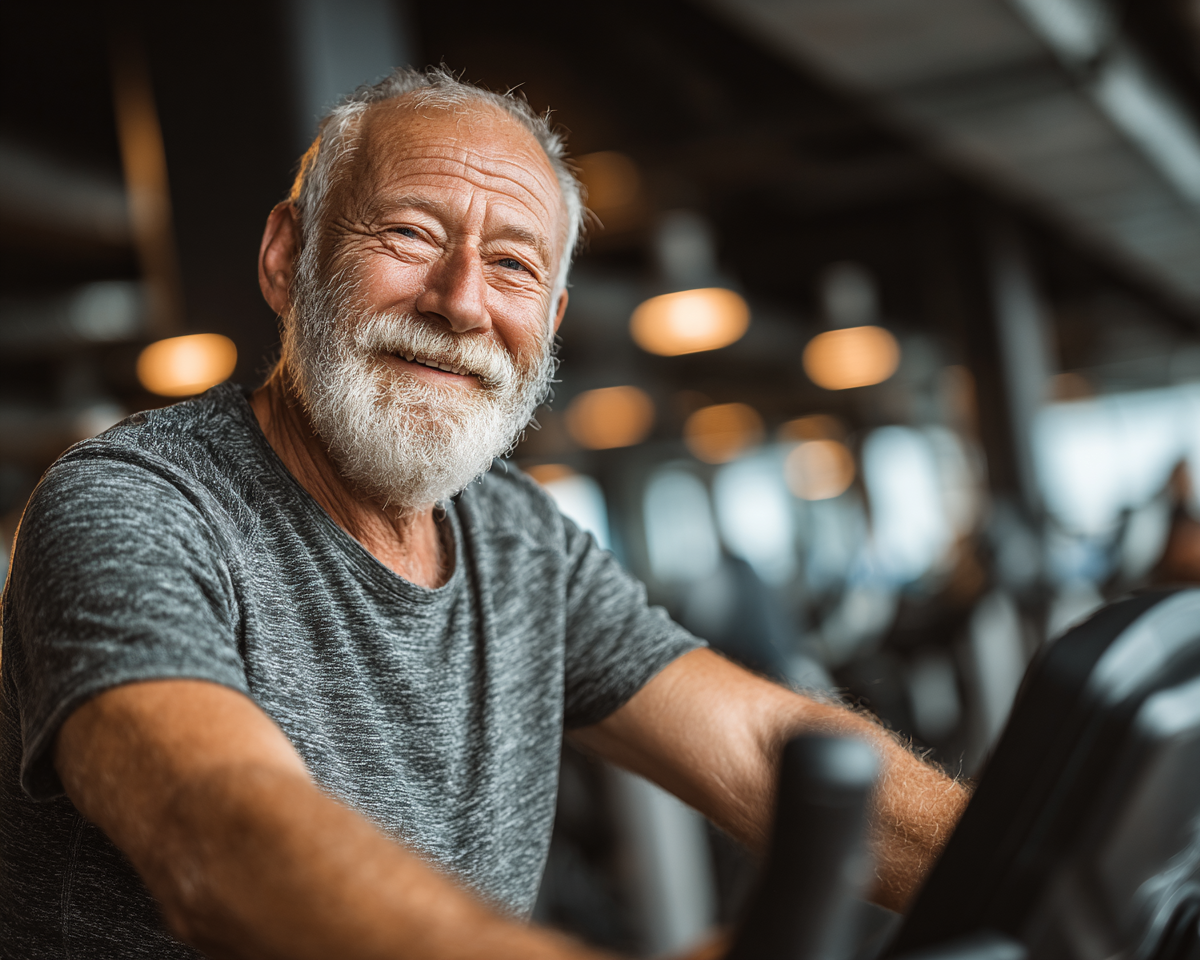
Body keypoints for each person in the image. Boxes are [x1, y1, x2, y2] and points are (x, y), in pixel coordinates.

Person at [0, 67, 968, 960]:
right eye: (411, 234)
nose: (462, 302)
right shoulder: (136, 506)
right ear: (289, 257)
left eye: (512, 265)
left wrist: (1016, 863)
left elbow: (762, 753)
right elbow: (216, 827)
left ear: (551, 321)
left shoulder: (517, 536)